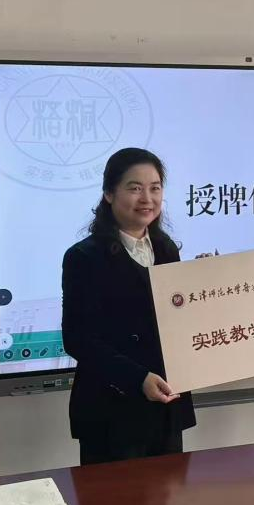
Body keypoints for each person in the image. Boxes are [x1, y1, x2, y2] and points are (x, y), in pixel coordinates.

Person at [61, 147, 195, 464]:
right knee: (114, 497)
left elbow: (174, 321)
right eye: (135, 188)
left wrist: (203, 284)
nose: (147, 198)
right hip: (111, 412)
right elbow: (78, 339)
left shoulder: (166, 249)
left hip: (165, 406)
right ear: (109, 193)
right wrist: (137, 379)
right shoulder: (84, 257)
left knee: (170, 493)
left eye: (155, 188)